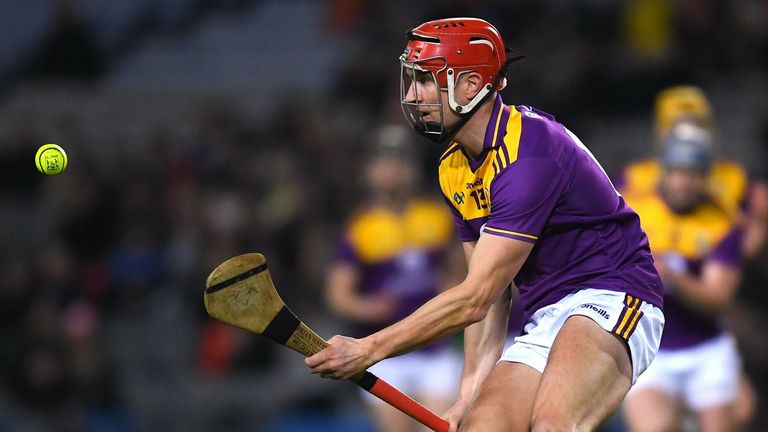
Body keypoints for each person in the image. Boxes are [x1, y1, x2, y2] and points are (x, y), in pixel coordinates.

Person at [306, 17, 665, 431]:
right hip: (547, 314)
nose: (411, 95)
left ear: (472, 86)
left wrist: (369, 349)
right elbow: (490, 297)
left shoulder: (530, 154)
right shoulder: (453, 168)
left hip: (613, 296)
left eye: (426, 81)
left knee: (552, 426)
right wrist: (468, 396)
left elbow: (473, 297)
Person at [326, 124, 462, 432]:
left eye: (399, 160)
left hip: (435, 347)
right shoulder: (361, 227)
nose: (392, 169)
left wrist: (452, 287)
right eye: (384, 161)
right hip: (384, 352)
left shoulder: (436, 215)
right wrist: (367, 307)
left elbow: (459, 269)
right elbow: (338, 294)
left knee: (442, 428)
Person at [621, 123, 746, 432]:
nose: (685, 182)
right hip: (650, 348)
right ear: (664, 170)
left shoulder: (723, 223)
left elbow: (717, 299)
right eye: (678, 171)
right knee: (655, 428)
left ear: (706, 177)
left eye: (694, 173)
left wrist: (672, 276)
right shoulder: (634, 211)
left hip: (706, 351)